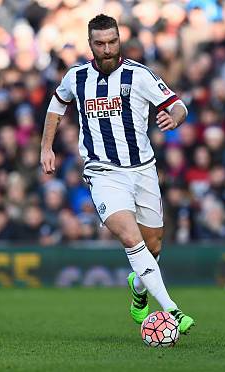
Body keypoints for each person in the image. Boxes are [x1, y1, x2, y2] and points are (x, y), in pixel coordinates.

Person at [40, 14, 194, 333]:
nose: (107, 49)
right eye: (100, 43)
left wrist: (176, 118)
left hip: (143, 170)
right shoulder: (76, 77)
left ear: (119, 40)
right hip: (102, 172)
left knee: (153, 247)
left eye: (112, 42)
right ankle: (173, 310)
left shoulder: (139, 75)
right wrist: (46, 147)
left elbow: (178, 105)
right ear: (90, 45)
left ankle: (139, 291)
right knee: (129, 237)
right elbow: (56, 106)